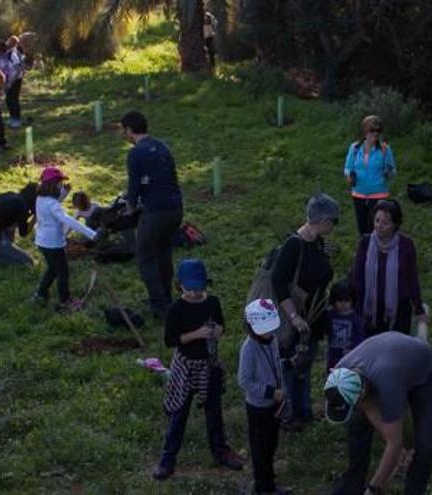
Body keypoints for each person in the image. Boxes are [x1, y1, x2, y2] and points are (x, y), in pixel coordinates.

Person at [152, 259, 245, 481]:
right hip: (186, 365)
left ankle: (220, 450)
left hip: (209, 364)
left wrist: (217, 331)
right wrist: (197, 334)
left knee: (214, 412)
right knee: (179, 414)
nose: (195, 293)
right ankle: (167, 459)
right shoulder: (177, 309)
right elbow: (171, 340)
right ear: (180, 286)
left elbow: (222, 325)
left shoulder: (212, 302)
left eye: (200, 288)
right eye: (190, 289)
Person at [324, 332, 432, 495]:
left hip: (423, 367)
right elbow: (370, 409)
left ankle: (414, 490)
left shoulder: (387, 385)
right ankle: (352, 485)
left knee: (425, 444)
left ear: (362, 393)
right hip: (385, 360)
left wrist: (374, 488)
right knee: (358, 426)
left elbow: (394, 443)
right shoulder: (338, 375)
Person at [271, 193, 337, 429]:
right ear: (323, 221)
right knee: (290, 366)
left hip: (313, 316)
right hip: (296, 318)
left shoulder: (318, 241)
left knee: (305, 365)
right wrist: (293, 316)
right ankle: (288, 414)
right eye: (333, 221)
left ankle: (304, 411)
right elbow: (279, 282)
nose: (334, 226)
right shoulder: (294, 245)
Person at [121, 110, 184, 319]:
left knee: (145, 256)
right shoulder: (163, 146)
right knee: (164, 253)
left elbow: (134, 184)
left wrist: (130, 207)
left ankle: (159, 304)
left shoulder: (136, 153)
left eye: (125, 131)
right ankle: (167, 296)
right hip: (175, 209)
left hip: (155, 212)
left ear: (129, 130)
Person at [237, 298, 293, 495]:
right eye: (265, 329)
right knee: (260, 450)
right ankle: (263, 487)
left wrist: (287, 364)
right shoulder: (249, 348)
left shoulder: (272, 341)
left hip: (274, 404)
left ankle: (268, 483)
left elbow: (275, 364)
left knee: (271, 446)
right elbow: (244, 380)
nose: (270, 333)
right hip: (258, 407)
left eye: (271, 328)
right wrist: (270, 391)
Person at [351, 199, 426, 336]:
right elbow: (358, 277)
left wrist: (419, 308)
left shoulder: (406, 245)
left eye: (385, 223)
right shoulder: (365, 243)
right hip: (371, 310)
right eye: (377, 220)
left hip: (398, 310)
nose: (379, 226)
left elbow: (412, 278)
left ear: (395, 225)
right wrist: (355, 308)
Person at [33, 166, 99, 312]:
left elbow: (54, 205)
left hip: (42, 241)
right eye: (60, 183)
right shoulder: (52, 204)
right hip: (53, 243)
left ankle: (40, 293)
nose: (61, 185)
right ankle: (65, 301)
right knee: (63, 272)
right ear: (54, 184)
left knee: (52, 269)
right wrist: (92, 234)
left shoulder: (41, 198)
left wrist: (64, 194)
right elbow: (68, 220)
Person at [344, 115, 396, 235]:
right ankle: (365, 249)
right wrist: (349, 176)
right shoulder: (355, 148)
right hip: (358, 193)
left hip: (379, 193)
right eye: (372, 130)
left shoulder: (385, 149)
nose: (375, 134)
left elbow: (393, 170)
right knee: (362, 228)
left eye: (378, 130)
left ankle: (377, 250)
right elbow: (348, 167)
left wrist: (388, 172)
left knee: (376, 228)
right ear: (365, 131)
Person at [326, 280, 366, 372]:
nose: (343, 303)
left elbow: (360, 338)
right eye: (340, 300)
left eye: (347, 300)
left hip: (349, 357)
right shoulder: (330, 315)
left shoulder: (356, 319)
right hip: (333, 356)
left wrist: (352, 349)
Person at [0, 39, 25, 128]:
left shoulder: (12, 54)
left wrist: (11, 82)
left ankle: (17, 120)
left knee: (13, 99)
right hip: (6, 79)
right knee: (8, 100)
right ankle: (12, 118)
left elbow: (18, 69)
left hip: (16, 78)